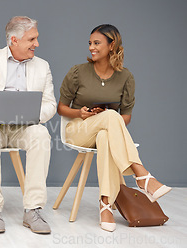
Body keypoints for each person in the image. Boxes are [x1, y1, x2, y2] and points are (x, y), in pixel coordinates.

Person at [58, 24, 171, 232]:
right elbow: (61, 108)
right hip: (78, 129)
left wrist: (107, 118)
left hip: (105, 129)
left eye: (97, 43)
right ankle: (141, 175)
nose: (91, 47)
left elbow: (125, 117)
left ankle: (105, 205)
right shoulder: (78, 72)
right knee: (110, 117)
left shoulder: (125, 77)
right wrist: (80, 113)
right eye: (90, 43)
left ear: (112, 45)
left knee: (105, 135)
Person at [0, 16, 56, 234]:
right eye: (32, 39)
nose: (37, 44)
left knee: (41, 136)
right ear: (14, 40)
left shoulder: (42, 66)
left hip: (24, 127)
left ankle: (33, 210)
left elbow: (50, 103)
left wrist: (32, 116)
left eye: (36, 38)